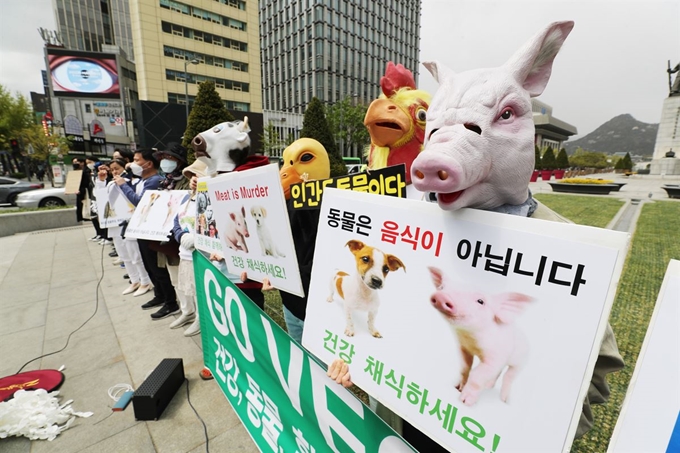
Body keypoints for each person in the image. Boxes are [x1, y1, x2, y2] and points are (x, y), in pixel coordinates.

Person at [115, 148, 178, 320]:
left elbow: (139, 202)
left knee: (157, 267)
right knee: (148, 264)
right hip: (141, 227)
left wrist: (122, 184)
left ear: (149, 163)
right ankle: (160, 295)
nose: (132, 164)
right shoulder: (141, 180)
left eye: (136, 160)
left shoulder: (154, 180)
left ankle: (170, 302)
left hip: (152, 230)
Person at [96, 158, 153, 297]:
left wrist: (123, 184)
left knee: (135, 254)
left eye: (118, 168)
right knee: (124, 254)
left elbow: (135, 199)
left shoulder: (132, 182)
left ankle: (145, 281)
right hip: (114, 222)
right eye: (112, 169)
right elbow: (100, 198)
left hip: (130, 221)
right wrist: (101, 181)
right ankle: (134, 280)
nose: (115, 172)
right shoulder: (110, 184)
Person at [168, 160, 208, 334]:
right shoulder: (186, 197)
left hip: (203, 255)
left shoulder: (211, 197)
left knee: (202, 291)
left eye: (197, 174)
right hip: (185, 253)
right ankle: (191, 313)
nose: (193, 179)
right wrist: (181, 235)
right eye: (191, 175)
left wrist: (198, 239)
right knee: (190, 288)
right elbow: (176, 221)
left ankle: (202, 319)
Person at [72, 157, 92, 226]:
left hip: (86, 193)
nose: (75, 164)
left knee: (91, 213)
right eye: (74, 163)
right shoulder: (75, 171)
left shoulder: (87, 171)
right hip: (79, 193)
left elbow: (86, 182)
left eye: (77, 162)